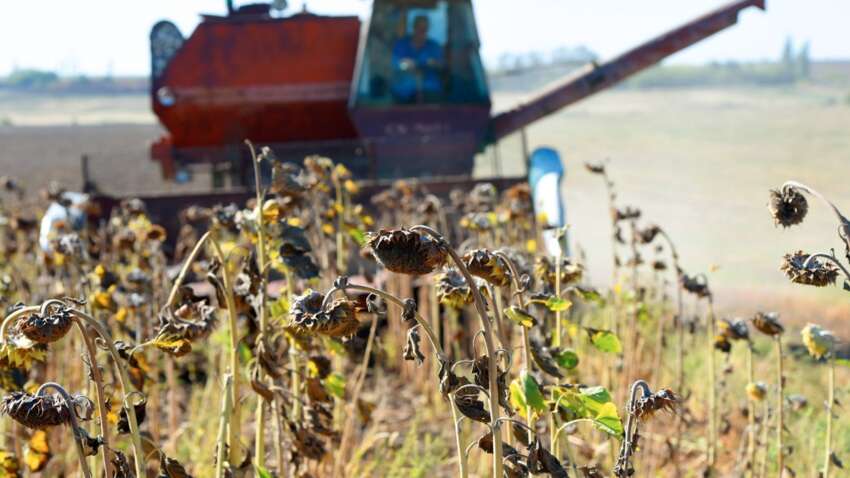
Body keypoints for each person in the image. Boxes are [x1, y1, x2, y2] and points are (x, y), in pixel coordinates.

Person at [391, 15, 444, 103]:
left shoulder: (434, 46)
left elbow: (440, 65)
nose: (422, 31)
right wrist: (408, 65)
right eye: (419, 28)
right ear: (414, 28)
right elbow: (396, 64)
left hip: (430, 91)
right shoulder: (401, 44)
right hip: (404, 91)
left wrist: (418, 64)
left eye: (425, 29)